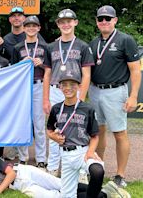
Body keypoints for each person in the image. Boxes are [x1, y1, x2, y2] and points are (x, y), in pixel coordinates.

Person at [89, 5, 141, 188]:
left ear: (115, 20)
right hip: (95, 91)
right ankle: (98, 170)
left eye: (108, 18)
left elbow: (135, 70)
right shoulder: (94, 43)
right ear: (96, 21)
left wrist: (133, 96)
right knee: (98, 132)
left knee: (119, 133)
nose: (104, 22)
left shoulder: (125, 40)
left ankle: (120, 175)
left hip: (116, 91)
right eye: (100, 19)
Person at [0, 144, 124, 198]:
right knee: (54, 196)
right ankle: (104, 194)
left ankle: (104, 191)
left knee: (60, 184)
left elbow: (11, 173)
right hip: (19, 187)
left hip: (23, 173)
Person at [43, 9, 94, 177]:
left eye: (69, 21)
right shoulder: (51, 46)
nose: (66, 24)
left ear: (75, 22)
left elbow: (86, 74)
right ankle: (52, 169)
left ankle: (76, 168)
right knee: (55, 130)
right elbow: (47, 74)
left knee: (77, 129)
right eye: (62, 22)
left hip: (75, 91)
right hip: (56, 91)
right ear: (58, 24)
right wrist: (45, 99)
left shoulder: (83, 46)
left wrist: (81, 98)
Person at [46, 72, 105, 198]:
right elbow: (49, 130)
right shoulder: (56, 108)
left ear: (79, 86)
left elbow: (95, 136)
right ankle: (103, 195)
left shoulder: (87, 108)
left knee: (97, 171)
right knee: (68, 195)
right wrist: (54, 137)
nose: (68, 88)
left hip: (83, 152)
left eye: (72, 85)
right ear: (60, 87)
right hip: (66, 156)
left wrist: (90, 152)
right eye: (65, 85)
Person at [11, 16, 48, 169]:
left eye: (34, 26)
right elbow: (12, 68)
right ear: (24, 28)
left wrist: (43, 64)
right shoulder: (18, 47)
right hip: (23, 86)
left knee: (39, 124)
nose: (31, 28)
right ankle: (23, 157)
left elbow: (51, 69)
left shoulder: (45, 47)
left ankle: (41, 158)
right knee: (22, 122)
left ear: (39, 28)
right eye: (28, 26)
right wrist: (21, 62)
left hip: (38, 84)